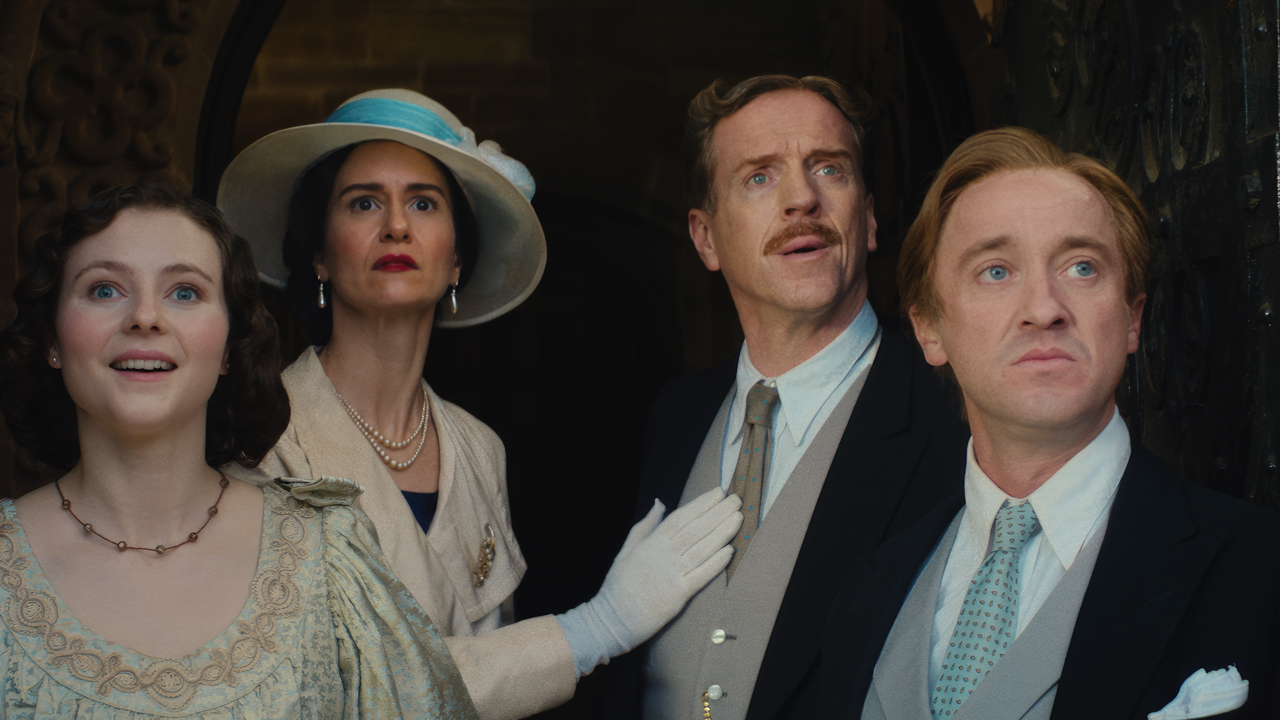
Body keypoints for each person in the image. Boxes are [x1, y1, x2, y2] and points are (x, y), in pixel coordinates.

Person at [218, 89, 743, 719]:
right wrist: (597, 627)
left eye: (423, 202)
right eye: (364, 202)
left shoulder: (478, 447)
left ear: (457, 261)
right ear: (319, 255)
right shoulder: (264, 438)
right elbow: (349, 688)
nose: (396, 225)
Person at [807, 127, 1280, 719]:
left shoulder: (1262, 569)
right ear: (929, 328)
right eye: (996, 271)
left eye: (1082, 267)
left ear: (1132, 320)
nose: (1044, 309)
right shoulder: (866, 592)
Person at [0, 184, 479, 717]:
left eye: (185, 292)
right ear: (52, 340)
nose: (145, 317)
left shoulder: (330, 558)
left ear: (230, 345)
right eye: (104, 289)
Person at [625, 75, 970, 720]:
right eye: (760, 177)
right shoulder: (676, 415)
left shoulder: (954, 417)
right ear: (705, 238)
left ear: (868, 218)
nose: (802, 199)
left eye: (829, 169)